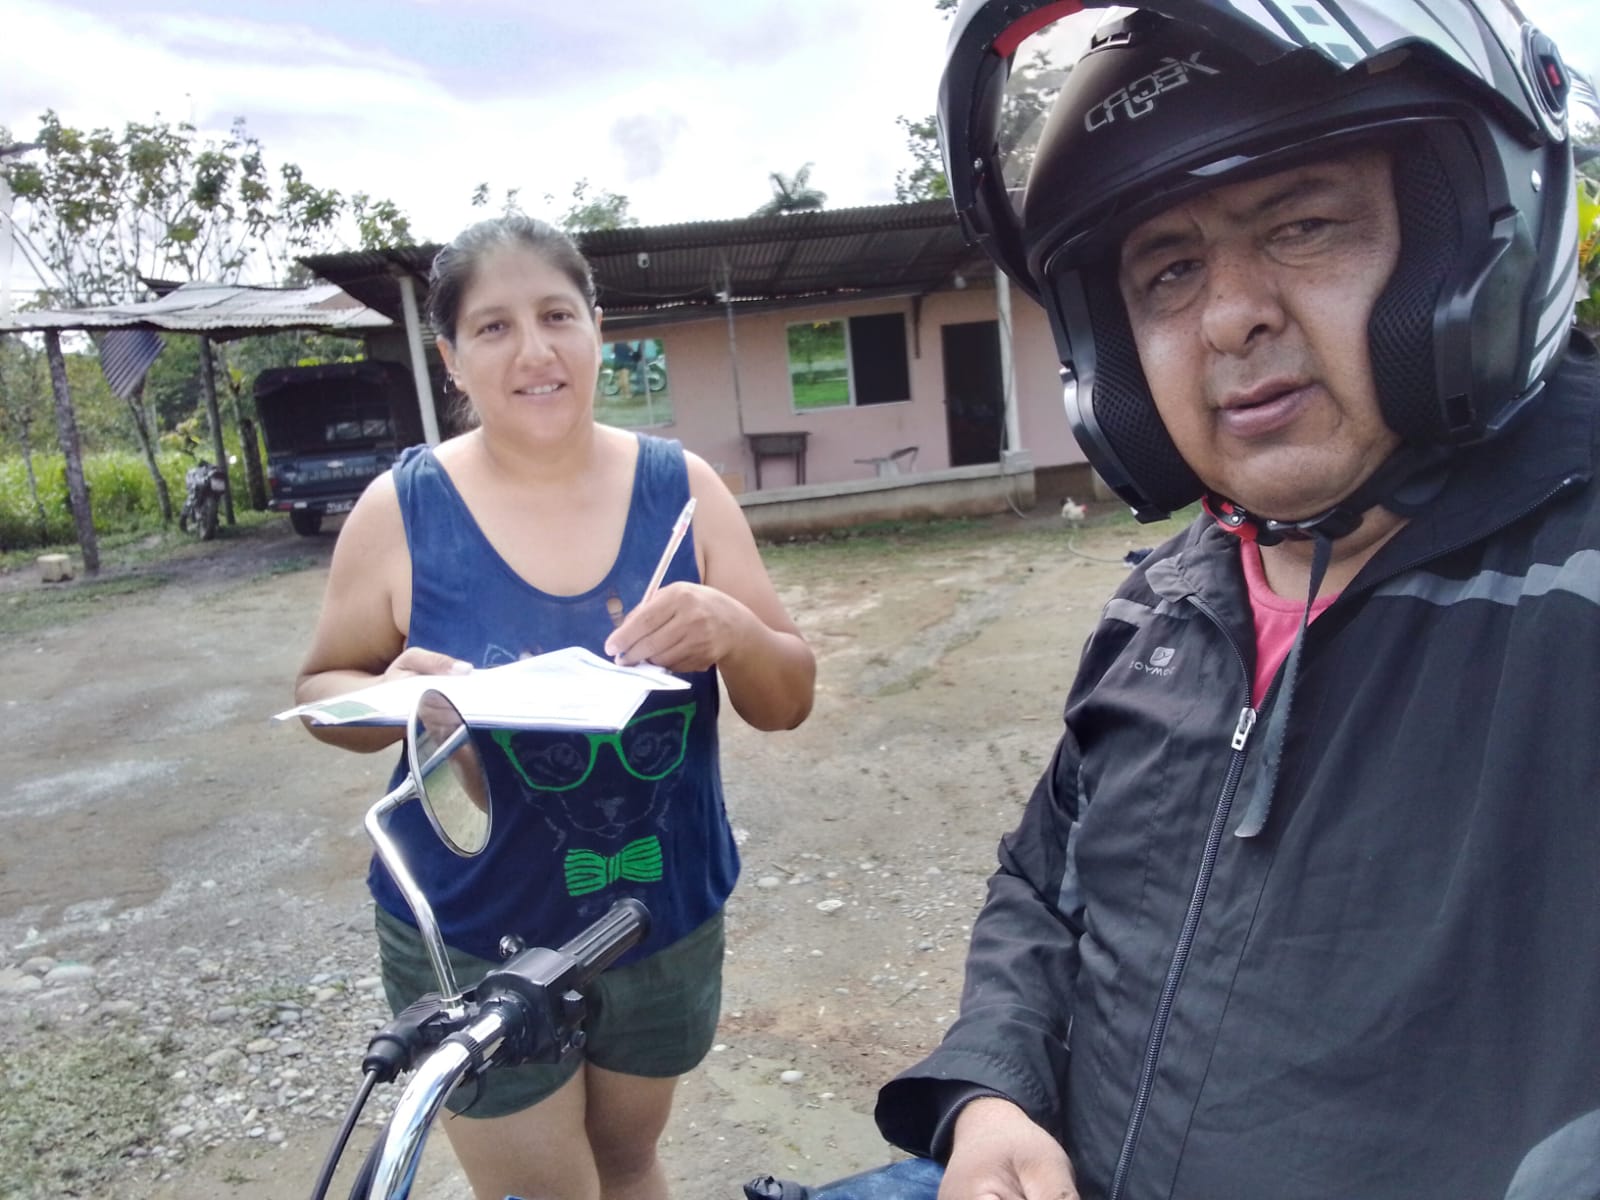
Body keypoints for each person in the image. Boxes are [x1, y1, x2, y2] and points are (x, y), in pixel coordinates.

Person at [871, 3, 1600, 1199]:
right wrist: (995, 1093)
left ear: (1470, 230)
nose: (1227, 316)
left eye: (1302, 226)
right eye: (1168, 271)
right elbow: (1042, 888)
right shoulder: (1165, 602)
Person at [294, 214, 816, 1200]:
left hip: (657, 917)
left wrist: (735, 631)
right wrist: (398, 698)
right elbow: (322, 696)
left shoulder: (684, 493)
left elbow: (786, 699)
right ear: (451, 357)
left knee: (627, 1161)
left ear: (596, 329)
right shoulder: (401, 511)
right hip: (473, 935)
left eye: (556, 315)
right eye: (493, 327)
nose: (534, 351)